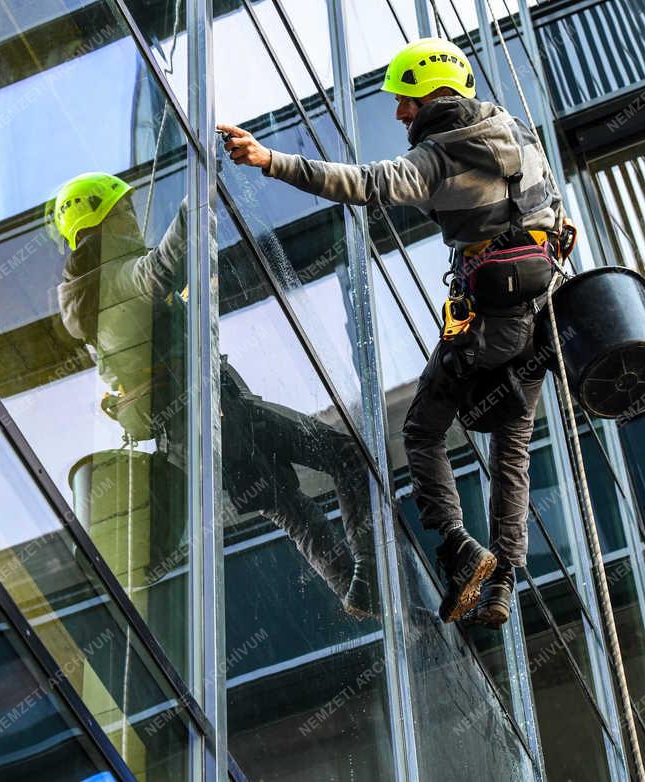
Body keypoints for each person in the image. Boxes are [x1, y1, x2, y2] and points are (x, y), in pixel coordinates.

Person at [218, 37, 563, 627]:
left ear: (430, 92)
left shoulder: (442, 154)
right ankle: (501, 584)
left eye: (404, 99)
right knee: (511, 448)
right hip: (540, 313)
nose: (400, 113)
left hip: (488, 322)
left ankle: (458, 547)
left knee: (423, 432)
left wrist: (269, 161)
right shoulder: (516, 135)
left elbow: (366, 184)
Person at [50, 172, 374, 618]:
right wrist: (201, 190)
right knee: (347, 457)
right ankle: (370, 573)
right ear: (102, 222)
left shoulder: (90, 298)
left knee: (292, 511)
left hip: (193, 444)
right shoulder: (112, 281)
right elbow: (161, 268)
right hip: (215, 418)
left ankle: (357, 592)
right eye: (123, 211)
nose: (132, 219)